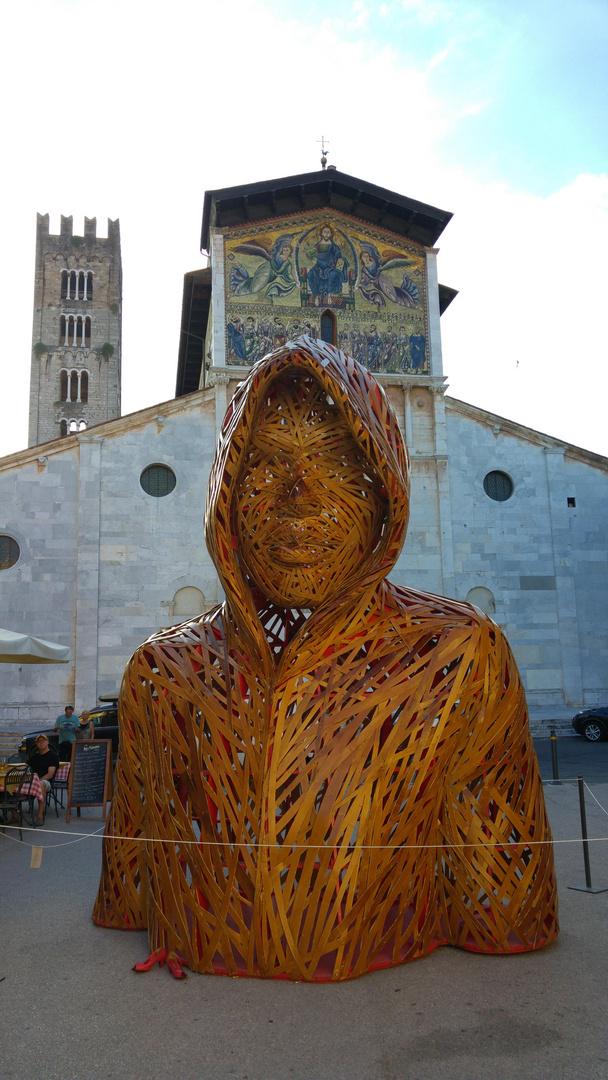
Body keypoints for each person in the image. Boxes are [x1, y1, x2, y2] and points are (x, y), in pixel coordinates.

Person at [94, 337, 558, 981]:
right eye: (264, 465)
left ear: (385, 494)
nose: (300, 501)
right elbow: (129, 886)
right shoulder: (162, 673)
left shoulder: (460, 656)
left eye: (340, 465)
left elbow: (507, 905)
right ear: (225, 489)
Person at [28, 734, 59, 825]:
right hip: (34, 781)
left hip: (46, 782)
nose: (41, 742)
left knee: (41, 784)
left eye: (43, 740)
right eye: (38, 741)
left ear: (47, 742)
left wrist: (37, 782)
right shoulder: (35, 757)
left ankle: (40, 816)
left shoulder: (53, 756)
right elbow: (26, 767)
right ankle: (15, 815)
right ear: (37, 744)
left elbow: (50, 774)